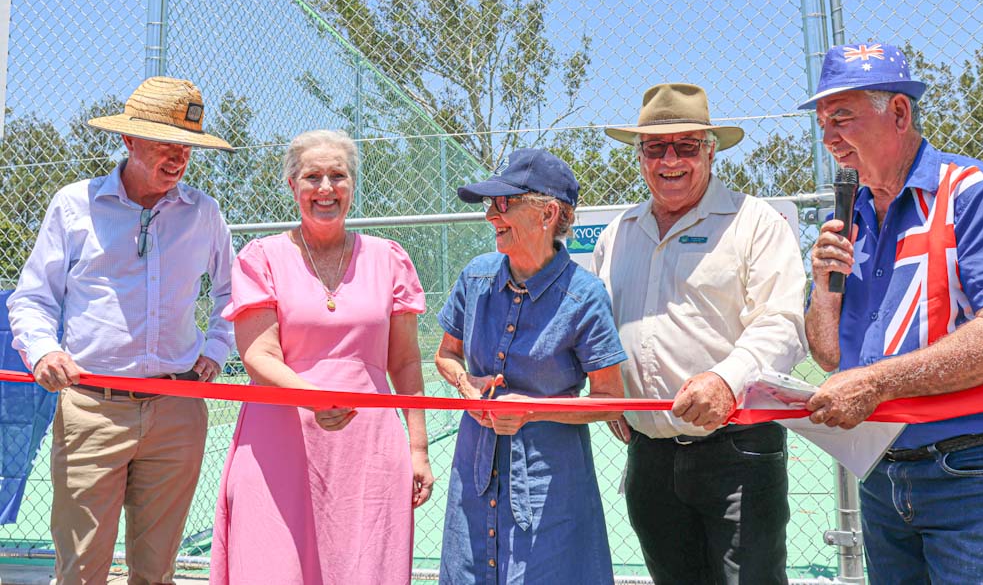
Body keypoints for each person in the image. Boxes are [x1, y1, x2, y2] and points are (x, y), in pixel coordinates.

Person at [802, 42, 983, 583]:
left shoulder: (973, 194)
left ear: (899, 112)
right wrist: (822, 285)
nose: (829, 137)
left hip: (977, 471)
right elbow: (831, 355)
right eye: (824, 122)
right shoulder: (850, 212)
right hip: (882, 473)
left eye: (844, 118)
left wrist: (876, 383)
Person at [6, 76, 235, 585]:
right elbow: (33, 298)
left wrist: (217, 348)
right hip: (91, 410)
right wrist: (42, 351)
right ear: (128, 140)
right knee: (81, 571)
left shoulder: (204, 214)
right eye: (164, 144)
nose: (178, 158)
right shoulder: (74, 206)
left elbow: (232, 294)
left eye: (187, 146)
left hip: (176, 409)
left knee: (156, 573)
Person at [594, 83, 808, 584]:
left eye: (687, 145)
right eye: (655, 147)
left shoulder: (754, 222)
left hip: (737, 451)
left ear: (710, 151)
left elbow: (782, 325)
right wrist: (610, 389)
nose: (670, 159)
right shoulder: (618, 233)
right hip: (649, 457)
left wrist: (724, 381)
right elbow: (601, 325)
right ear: (640, 156)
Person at [209, 129, 433, 585]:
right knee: (271, 567)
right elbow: (257, 353)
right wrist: (313, 396)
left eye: (338, 175)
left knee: (366, 568)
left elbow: (406, 364)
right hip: (278, 442)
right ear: (292, 186)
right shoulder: (262, 258)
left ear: (352, 185)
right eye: (313, 176)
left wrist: (418, 448)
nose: (326, 188)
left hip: (368, 449)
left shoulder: (389, 259)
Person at [434, 148, 627, 585]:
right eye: (489, 205)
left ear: (548, 213)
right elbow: (445, 355)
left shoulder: (585, 295)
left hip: (549, 486)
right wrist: (465, 382)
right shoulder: (476, 277)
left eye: (503, 204)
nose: (489, 216)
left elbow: (612, 401)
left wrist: (532, 409)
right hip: (474, 475)